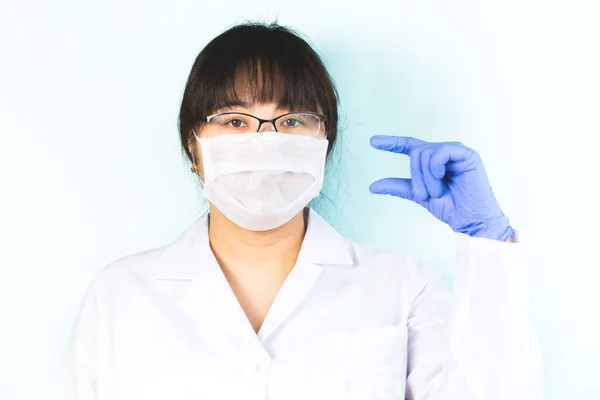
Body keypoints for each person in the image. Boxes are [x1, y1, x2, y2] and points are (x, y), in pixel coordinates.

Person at [55, 22, 542, 400]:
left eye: (291, 120)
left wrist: (487, 241)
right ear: (193, 144)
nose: (264, 141)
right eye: (235, 120)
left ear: (323, 144)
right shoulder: (120, 295)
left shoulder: (402, 287)